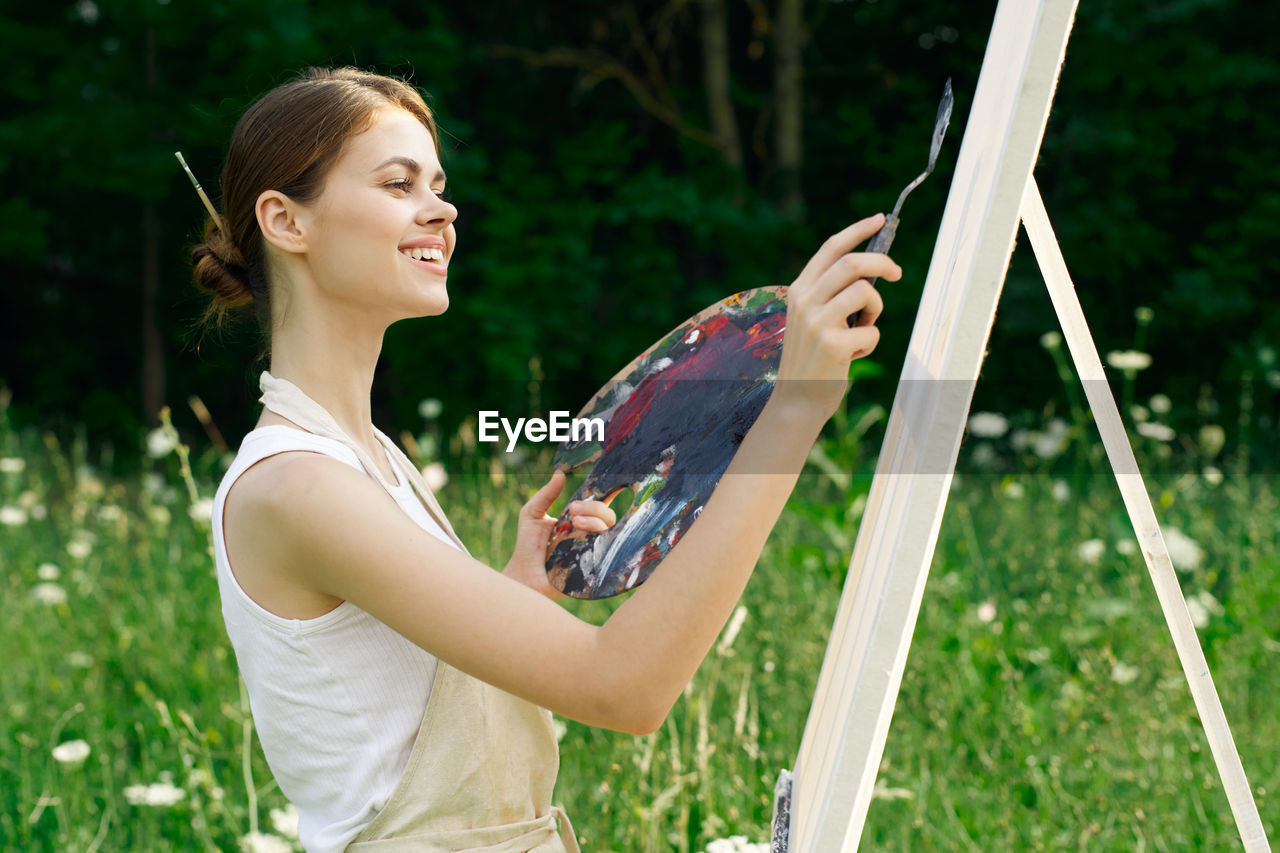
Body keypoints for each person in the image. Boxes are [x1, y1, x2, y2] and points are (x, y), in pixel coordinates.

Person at [189, 67, 899, 853]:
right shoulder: (297, 485)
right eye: (398, 183)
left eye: (439, 183)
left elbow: (384, 736)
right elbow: (625, 687)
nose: (442, 208)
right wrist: (791, 412)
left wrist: (518, 593)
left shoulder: (366, 458)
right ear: (287, 222)